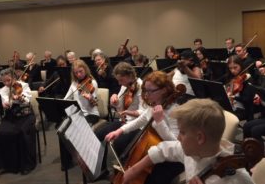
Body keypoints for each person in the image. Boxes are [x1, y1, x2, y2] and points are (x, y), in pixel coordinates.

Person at [122, 98, 254, 184]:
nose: (178, 137)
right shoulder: (193, 151)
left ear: (199, 138)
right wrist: (134, 170)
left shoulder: (237, 179)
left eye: (182, 133)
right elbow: (164, 149)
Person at [105, 71, 184, 184]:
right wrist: (119, 131)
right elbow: (140, 120)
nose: (146, 95)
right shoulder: (155, 104)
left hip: (171, 160)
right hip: (157, 153)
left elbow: (176, 145)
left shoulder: (174, 111)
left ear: (164, 90)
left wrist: (160, 122)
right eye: (145, 90)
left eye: (150, 91)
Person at [0, 68, 36, 175]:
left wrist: (21, 98)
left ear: (14, 78)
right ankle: (8, 164)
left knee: (22, 132)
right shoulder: (2, 90)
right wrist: (5, 104)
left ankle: (27, 164)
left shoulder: (23, 86)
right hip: (11, 116)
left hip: (26, 114)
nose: (7, 83)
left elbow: (27, 99)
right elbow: (5, 101)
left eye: (9, 80)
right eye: (4, 81)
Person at [95, 62, 144, 156]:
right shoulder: (125, 85)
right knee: (98, 134)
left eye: (121, 80)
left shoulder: (141, 86)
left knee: (119, 143)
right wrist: (115, 100)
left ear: (130, 76)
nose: (119, 83)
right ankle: (102, 169)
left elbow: (144, 112)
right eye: (118, 80)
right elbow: (120, 108)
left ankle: (124, 166)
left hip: (136, 124)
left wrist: (128, 112)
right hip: (124, 121)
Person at [64, 59, 100, 126]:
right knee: (63, 127)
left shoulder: (92, 82)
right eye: (76, 73)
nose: (79, 75)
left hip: (91, 114)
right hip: (78, 114)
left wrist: (90, 99)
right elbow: (66, 99)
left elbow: (94, 103)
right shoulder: (74, 84)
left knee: (77, 127)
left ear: (85, 70)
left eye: (81, 71)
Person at [225, 55, 255, 121]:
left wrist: (233, 97)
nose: (232, 70)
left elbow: (247, 99)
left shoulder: (247, 78)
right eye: (230, 68)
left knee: (226, 118)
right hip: (233, 106)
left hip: (244, 109)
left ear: (241, 66)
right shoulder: (231, 77)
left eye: (235, 67)